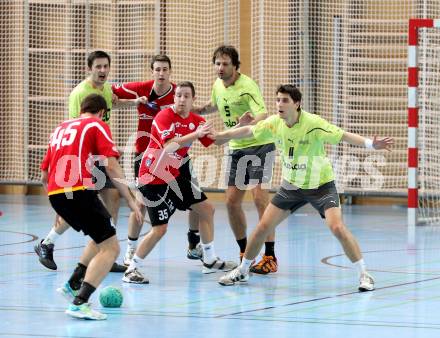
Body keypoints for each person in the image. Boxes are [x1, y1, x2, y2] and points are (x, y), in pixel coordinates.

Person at [215, 84, 393, 291]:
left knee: (336, 227)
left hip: (320, 185)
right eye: (278, 99)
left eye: (285, 101)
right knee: (264, 226)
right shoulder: (274, 124)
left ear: (297, 104)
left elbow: (343, 135)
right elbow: (249, 130)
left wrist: (372, 144)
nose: (279, 104)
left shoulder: (313, 123)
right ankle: (243, 270)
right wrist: (223, 135)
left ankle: (365, 274)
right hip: (292, 185)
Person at [40, 94, 143, 320]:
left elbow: (45, 172)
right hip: (78, 190)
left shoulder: (60, 128)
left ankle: (73, 285)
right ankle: (80, 302)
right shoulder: (97, 124)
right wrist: (129, 198)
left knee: (101, 237)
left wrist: (57, 204)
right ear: (102, 112)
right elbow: (112, 166)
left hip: (58, 193)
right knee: (112, 248)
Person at [122, 81, 237, 284]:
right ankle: (132, 269)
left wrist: (240, 125)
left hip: (173, 174)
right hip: (153, 176)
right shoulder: (164, 116)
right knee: (160, 229)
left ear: (193, 100)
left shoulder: (196, 120)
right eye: (178, 96)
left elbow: (216, 140)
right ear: (174, 98)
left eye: (186, 96)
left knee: (207, 209)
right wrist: (195, 134)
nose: (181, 100)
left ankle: (209, 259)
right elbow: (168, 146)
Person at [34, 51, 127, 272]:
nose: (103, 71)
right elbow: (78, 128)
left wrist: (133, 100)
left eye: (106, 66)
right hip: (83, 158)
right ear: (89, 68)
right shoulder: (80, 93)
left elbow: (113, 104)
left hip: (98, 155)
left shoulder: (105, 89)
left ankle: (104, 249)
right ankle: (48, 243)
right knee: (83, 205)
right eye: (98, 67)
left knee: (112, 197)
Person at [112, 54, 203, 266]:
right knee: (141, 205)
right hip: (146, 156)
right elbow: (110, 92)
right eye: (157, 69)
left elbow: (196, 111)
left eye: (165, 69)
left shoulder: (177, 94)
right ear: (152, 71)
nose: (161, 73)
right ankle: (131, 249)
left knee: (197, 198)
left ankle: (193, 244)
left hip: (176, 156)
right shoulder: (141, 88)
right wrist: (132, 102)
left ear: (170, 72)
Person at [196, 45, 278, 274]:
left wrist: (247, 123)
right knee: (231, 201)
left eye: (225, 64)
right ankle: (245, 253)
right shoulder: (217, 85)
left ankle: (270, 256)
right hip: (236, 148)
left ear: (235, 66)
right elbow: (213, 105)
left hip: (260, 145)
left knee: (261, 199)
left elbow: (263, 114)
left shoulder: (247, 86)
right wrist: (189, 109)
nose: (220, 68)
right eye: (218, 64)